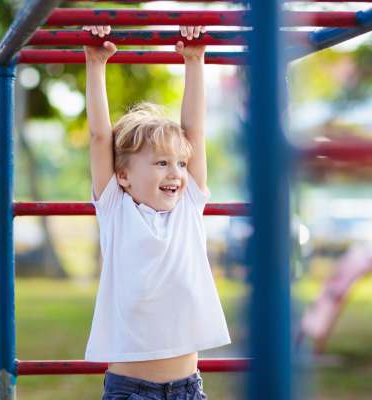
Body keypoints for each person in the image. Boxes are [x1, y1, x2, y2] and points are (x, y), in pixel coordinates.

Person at [83, 24, 231, 400]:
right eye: (161, 163)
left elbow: (194, 134)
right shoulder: (116, 210)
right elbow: (101, 137)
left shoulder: (188, 207)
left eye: (180, 164)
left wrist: (194, 61)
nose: (175, 173)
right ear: (123, 176)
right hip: (131, 390)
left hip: (187, 388)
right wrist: (95, 63)